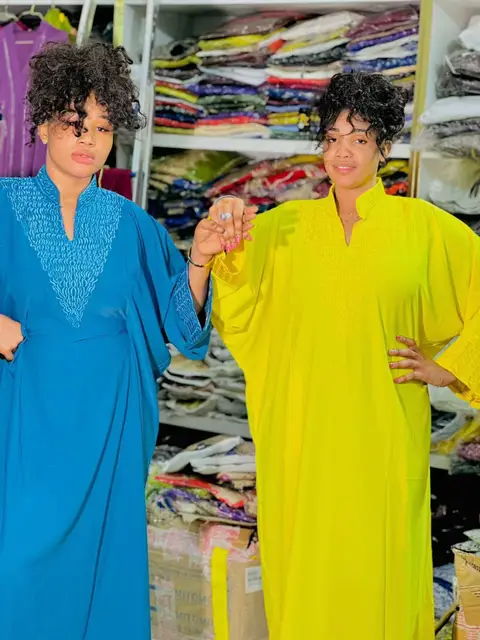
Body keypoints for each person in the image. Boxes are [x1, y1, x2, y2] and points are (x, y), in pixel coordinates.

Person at [208, 72, 480, 639]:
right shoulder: (283, 228)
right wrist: (225, 225)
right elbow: (236, 297)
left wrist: (450, 368)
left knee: (380, 575)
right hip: (303, 440)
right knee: (306, 576)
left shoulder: (423, 228)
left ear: (385, 147)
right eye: (332, 138)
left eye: (359, 138)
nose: (342, 152)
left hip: (384, 440)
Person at [0, 42, 232, 639]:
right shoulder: (4, 205)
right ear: (44, 125)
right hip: (26, 416)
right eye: (74, 123)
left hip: (112, 420)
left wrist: (200, 259)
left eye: (103, 127)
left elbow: (181, 323)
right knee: (17, 567)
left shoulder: (131, 223)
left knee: (104, 573)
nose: (89, 139)